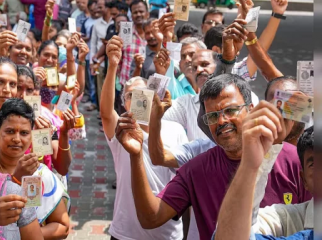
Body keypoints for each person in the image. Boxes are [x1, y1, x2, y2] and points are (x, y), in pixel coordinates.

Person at [118, 74, 310, 240]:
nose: (222, 121)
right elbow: (150, 218)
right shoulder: (197, 168)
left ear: (251, 108)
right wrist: (136, 156)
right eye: (212, 116)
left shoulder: (294, 160)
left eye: (230, 110)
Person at [100, 35, 187, 239]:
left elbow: (185, 174)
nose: (138, 97)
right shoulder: (121, 131)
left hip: (166, 232)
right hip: (126, 232)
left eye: (143, 92)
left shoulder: (175, 129)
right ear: (124, 104)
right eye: (130, 95)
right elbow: (105, 112)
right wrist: (113, 65)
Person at [213, 119, 314, 239]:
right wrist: (251, 165)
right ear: (304, 180)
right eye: (315, 165)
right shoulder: (285, 219)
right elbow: (228, 234)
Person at [0, 98, 71, 238]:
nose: (17, 139)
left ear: (32, 135)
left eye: (24, 133)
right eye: (10, 131)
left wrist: (24, 234)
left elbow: (63, 227)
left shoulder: (38, 173)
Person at [90, 0, 114, 113]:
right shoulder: (96, 24)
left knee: (111, 89)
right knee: (100, 88)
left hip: (112, 62)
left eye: (100, 7)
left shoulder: (115, 23)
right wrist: (92, 62)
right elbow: (93, 44)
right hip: (99, 63)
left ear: (108, 8)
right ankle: (102, 114)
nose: (98, 10)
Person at [117, 0, 148, 86]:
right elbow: (118, 56)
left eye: (141, 11)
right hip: (127, 84)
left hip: (147, 85)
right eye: (135, 12)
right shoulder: (126, 30)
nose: (138, 14)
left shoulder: (152, 32)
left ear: (147, 13)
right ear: (131, 15)